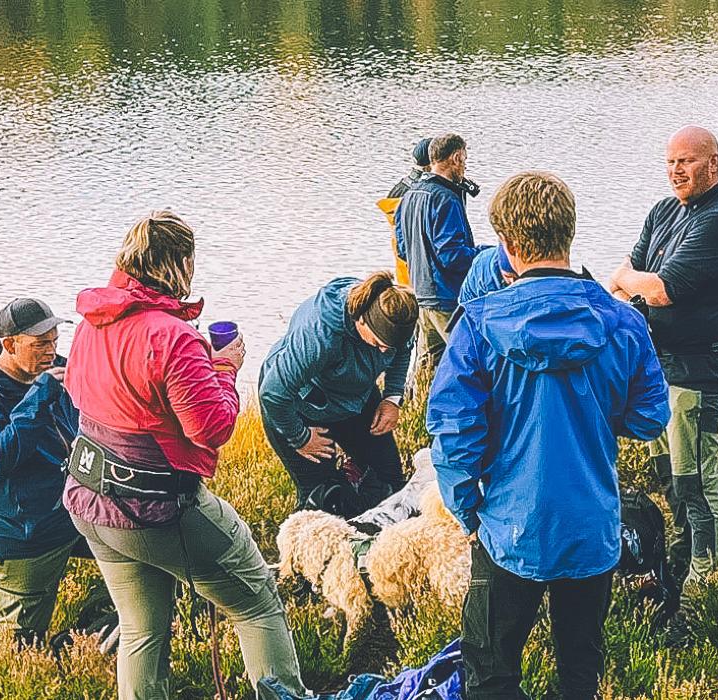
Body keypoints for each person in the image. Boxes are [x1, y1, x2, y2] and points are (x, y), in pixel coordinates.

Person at [431, 171, 670, 700]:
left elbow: (452, 436)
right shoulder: (624, 322)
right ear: (569, 235)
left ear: (509, 247)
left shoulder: (476, 324)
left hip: (508, 528)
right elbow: (651, 418)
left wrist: (469, 513)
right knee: (580, 672)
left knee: (491, 673)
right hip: (591, 527)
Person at [63, 211, 307, 700]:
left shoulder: (93, 322)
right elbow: (212, 427)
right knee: (255, 602)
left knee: (141, 629)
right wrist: (225, 368)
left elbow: (76, 390)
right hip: (156, 506)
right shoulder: (171, 337)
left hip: (89, 495)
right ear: (180, 264)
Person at [607, 126, 718, 643]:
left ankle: (706, 584)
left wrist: (634, 283)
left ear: (714, 162)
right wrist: (631, 281)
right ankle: (682, 561)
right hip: (657, 368)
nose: (676, 171)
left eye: (687, 161)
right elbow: (624, 271)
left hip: (696, 372)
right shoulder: (666, 211)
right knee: (668, 478)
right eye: (670, 162)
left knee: (696, 482)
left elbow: (660, 289)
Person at [0, 298, 90, 647]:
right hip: (22, 536)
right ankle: (34, 673)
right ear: (10, 345)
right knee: (20, 647)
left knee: (142, 570)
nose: (51, 352)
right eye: (40, 344)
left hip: (73, 516)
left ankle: (78, 646)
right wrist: (39, 396)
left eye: (55, 342)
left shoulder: (53, 372)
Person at [259, 273, 418, 518]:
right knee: (324, 498)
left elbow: (402, 351)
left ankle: (375, 534)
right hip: (302, 407)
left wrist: (392, 397)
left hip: (354, 397)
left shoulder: (395, 317)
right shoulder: (320, 336)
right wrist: (300, 438)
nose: (385, 352)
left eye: (389, 347)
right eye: (377, 344)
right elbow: (273, 393)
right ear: (362, 320)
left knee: (392, 482)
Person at [395, 133, 480, 378]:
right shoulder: (446, 199)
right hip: (446, 299)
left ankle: (417, 413)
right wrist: (485, 255)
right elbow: (452, 256)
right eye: (464, 159)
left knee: (426, 370)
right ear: (456, 157)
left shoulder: (409, 196)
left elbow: (403, 249)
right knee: (469, 363)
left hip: (421, 294)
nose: (465, 166)